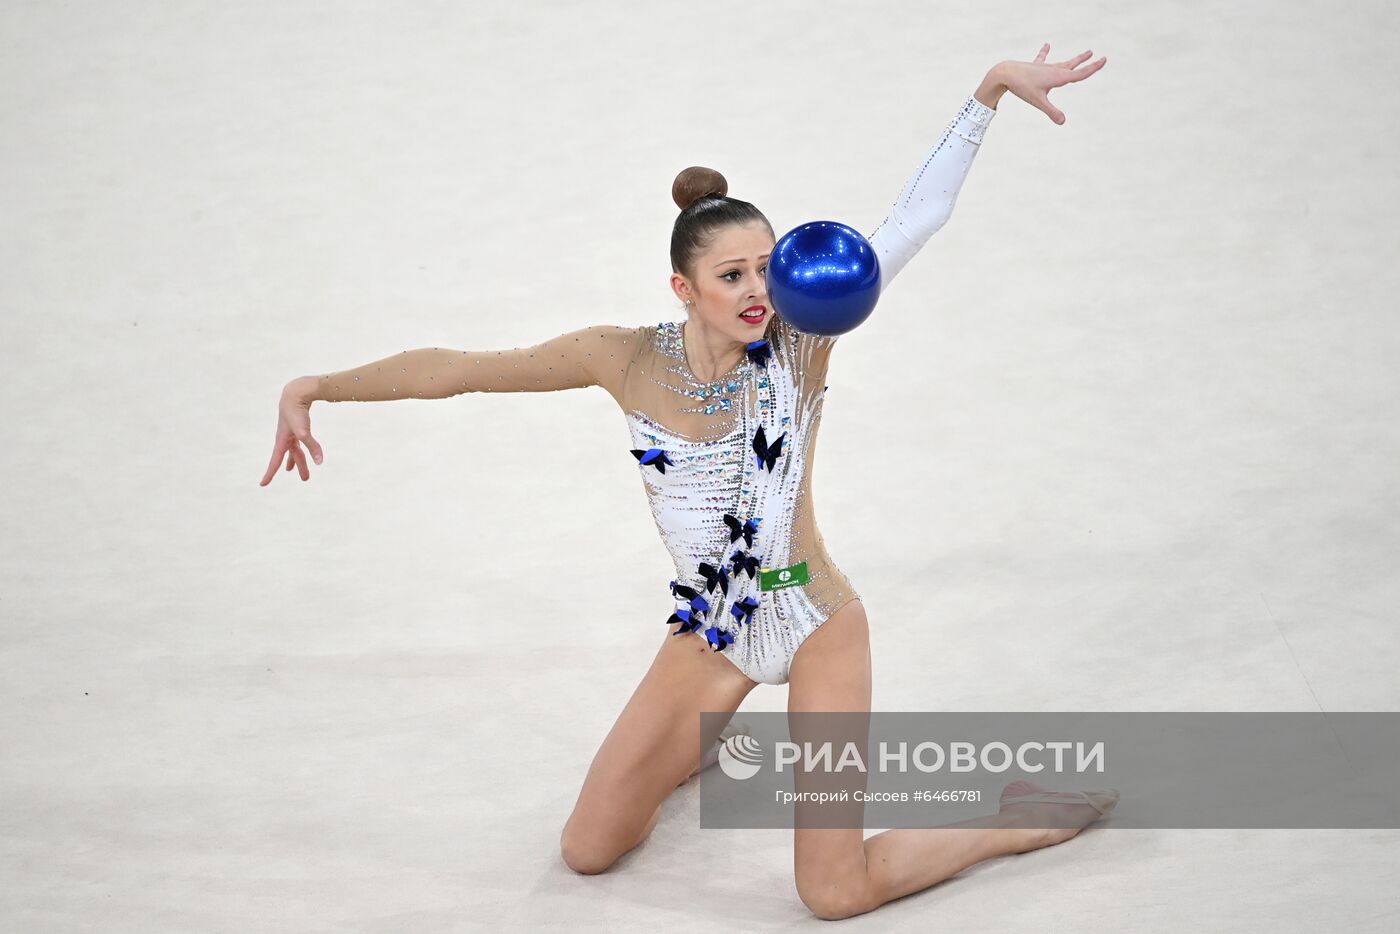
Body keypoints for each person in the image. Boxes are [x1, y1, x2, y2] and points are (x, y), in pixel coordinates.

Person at [261, 44, 1110, 921]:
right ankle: (703, 744)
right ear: (685, 285)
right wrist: (318, 387)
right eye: (732, 276)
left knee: (831, 893)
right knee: (588, 851)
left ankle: (1013, 821)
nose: (758, 292)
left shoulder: (802, 338)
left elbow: (911, 220)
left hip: (815, 621)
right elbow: (466, 367)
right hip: (713, 629)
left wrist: (989, 95)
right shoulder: (623, 359)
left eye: (766, 269)